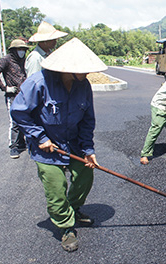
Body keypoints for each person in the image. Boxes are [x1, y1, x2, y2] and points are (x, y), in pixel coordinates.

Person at [10, 38, 107, 252]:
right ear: (69, 69)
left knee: (85, 175)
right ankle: (65, 226)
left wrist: (88, 150)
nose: (88, 73)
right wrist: (40, 137)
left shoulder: (84, 85)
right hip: (47, 146)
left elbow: (87, 120)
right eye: (84, 70)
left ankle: (72, 208)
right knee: (56, 189)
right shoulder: (38, 83)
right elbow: (18, 112)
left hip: (73, 144)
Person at [0, 39, 29, 158]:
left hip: (23, 95)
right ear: (13, 50)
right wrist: (5, 88)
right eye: (19, 49)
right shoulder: (6, 60)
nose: (21, 51)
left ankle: (21, 143)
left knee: (23, 119)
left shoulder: (23, 61)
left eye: (23, 49)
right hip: (12, 95)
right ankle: (13, 146)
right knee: (14, 121)